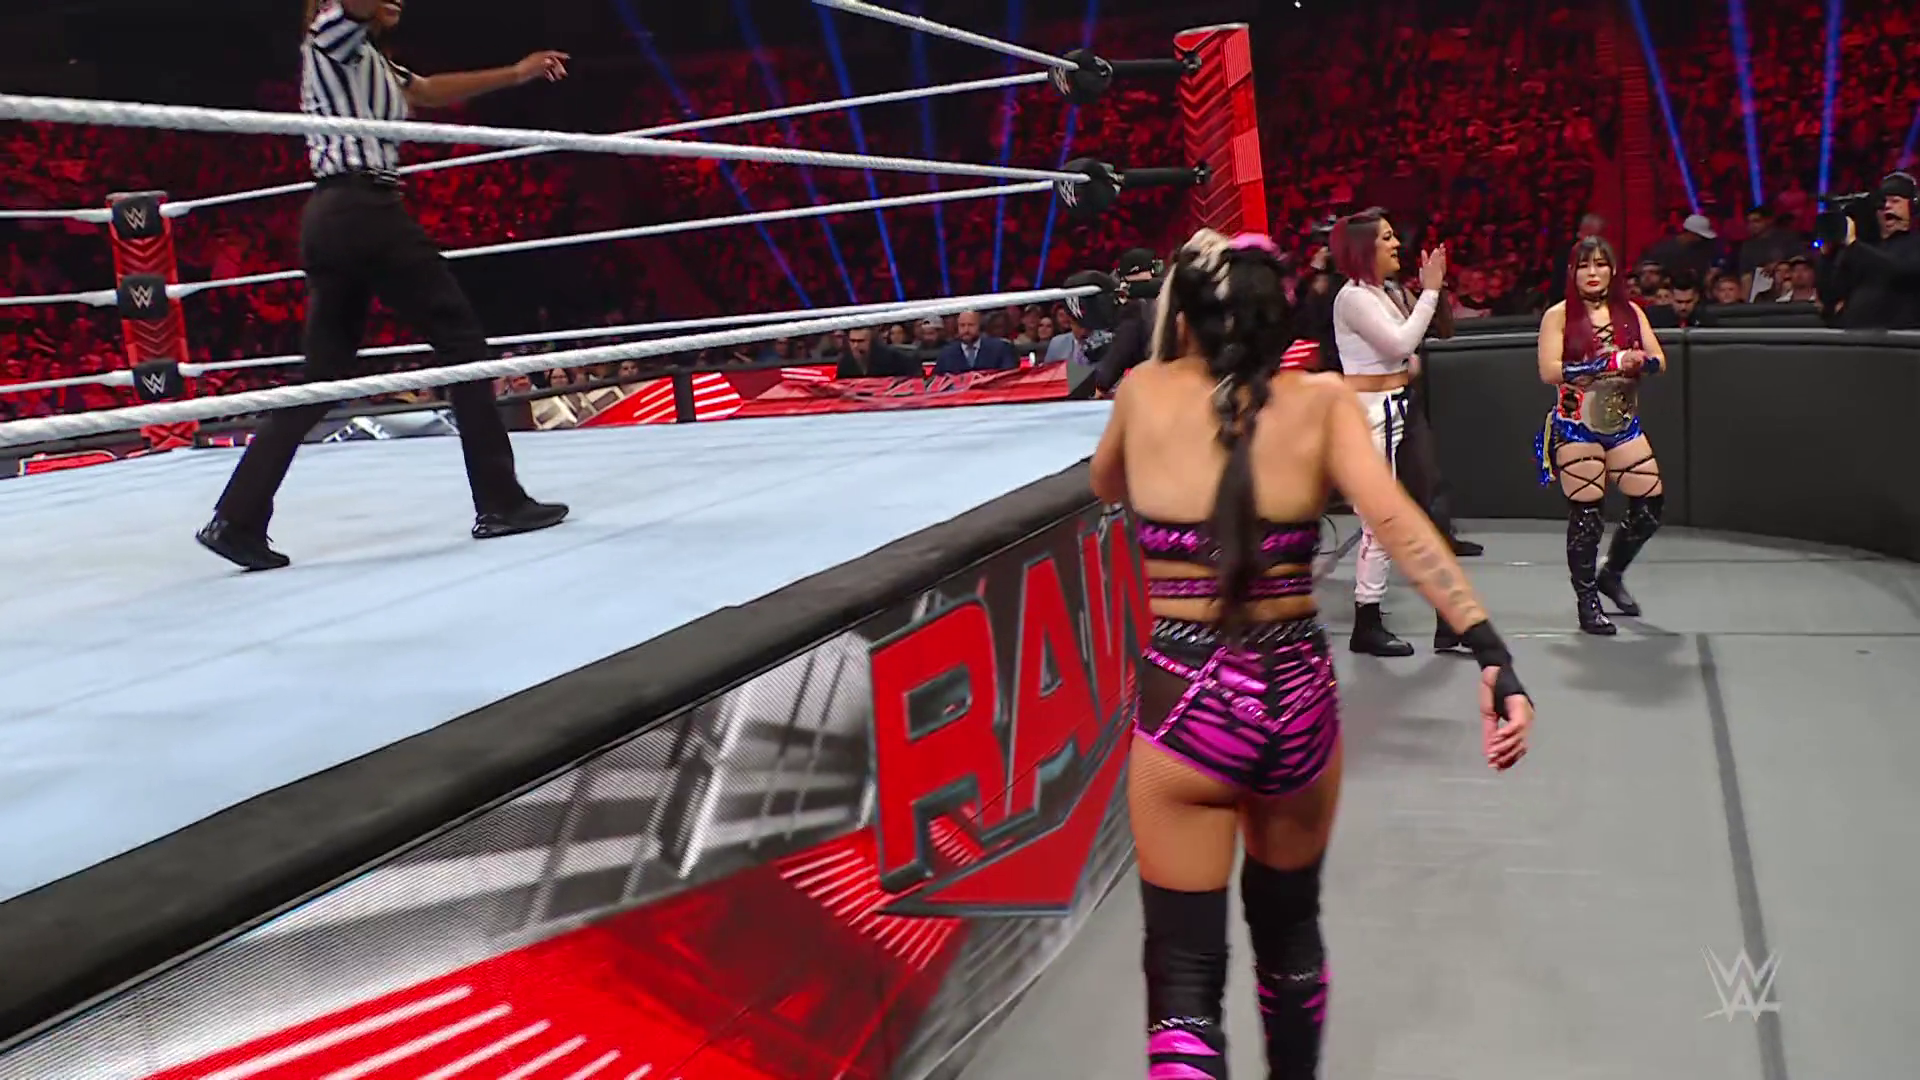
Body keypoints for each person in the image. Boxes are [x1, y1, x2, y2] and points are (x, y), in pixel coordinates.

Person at [1090, 229, 1534, 1080]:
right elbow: (1399, 523)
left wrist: (1168, 378)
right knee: (1289, 931)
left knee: (1183, 973)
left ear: (1185, 313)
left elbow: (1107, 484)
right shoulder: (1325, 401)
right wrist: (1489, 649)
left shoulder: (1143, 395)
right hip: (1292, 697)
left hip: (1185, 697)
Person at [197, 0, 572, 571]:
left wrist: (517, 72)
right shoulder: (331, 34)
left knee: (321, 378)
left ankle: (236, 518)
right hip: (363, 210)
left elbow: (427, 90)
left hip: (337, 218)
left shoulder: (368, 58)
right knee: (464, 348)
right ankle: (500, 500)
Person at [1328, 209, 1449, 656]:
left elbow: (1405, 351)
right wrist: (1430, 291)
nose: (1397, 244)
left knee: (1421, 511)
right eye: (1387, 237)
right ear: (1365, 248)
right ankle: (1367, 622)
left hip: (1395, 409)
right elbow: (1400, 344)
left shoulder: (1382, 292)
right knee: (1379, 524)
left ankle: (1446, 619)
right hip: (1370, 417)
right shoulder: (1353, 297)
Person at [1534, 236, 1667, 635]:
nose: (1593, 273)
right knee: (1588, 517)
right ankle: (1587, 600)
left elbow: (1660, 360)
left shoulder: (1631, 313)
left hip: (1622, 425)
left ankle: (1612, 574)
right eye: (1584, 265)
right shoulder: (1558, 316)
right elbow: (1549, 370)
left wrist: (1642, 362)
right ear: (1572, 272)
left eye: (1600, 264)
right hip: (1577, 426)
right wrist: (1609, 362)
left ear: (1613, 270)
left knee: (1649, 508)